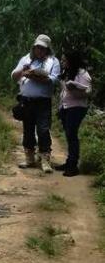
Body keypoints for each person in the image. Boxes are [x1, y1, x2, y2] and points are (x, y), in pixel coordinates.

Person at [11, 34, 61, 173]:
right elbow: (14, 75)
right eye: (38, 47)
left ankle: (45, 158)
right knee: (28, 129)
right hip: (26, 100)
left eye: (43, 48)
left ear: (47, 49)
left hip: (43, 101)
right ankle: (29, 157)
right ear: (34, 47)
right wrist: (24, 71)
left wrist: (33, 76)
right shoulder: (26, 59)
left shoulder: (53, 61)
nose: (40, 50)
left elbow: (52, 80)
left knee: (43, 129)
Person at [55, 51, 92, 177]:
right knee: (69, 135)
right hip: (66, 107)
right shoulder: (68, 72)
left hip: (77, 108)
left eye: (65, 60)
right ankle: (69, 162)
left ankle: (73, 165)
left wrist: (74, 89)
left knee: (72, 134)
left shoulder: (82, 73)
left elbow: (87, 91)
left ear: (72, 60)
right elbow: (64, 91)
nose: (62, 62)